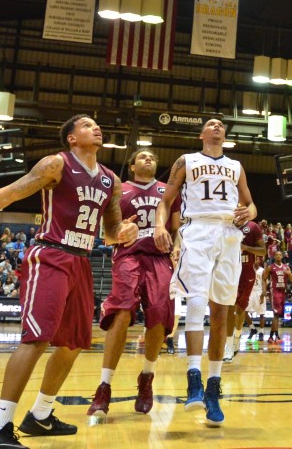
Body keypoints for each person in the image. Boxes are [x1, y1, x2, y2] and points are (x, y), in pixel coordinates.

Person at [0, 115, 138, 449]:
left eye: (98, 124)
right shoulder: (56, 164)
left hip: (81, 261)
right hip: (50, 255)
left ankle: (40, 415)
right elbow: (8, 195)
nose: (96, 127)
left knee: (72, 344)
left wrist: (123, 233)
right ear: (71, 138)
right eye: (86, 125)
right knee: (37, 339)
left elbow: (111, 233)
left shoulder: (111, 180)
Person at [153, 118, 256, 428]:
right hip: (198, 230)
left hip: (229, 235)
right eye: (211, 124)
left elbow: (251, 206)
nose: (216, 126)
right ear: (202, 134)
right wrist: (160, 225)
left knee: (222, 312)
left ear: (224, 135)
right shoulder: (187, 160)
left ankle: (213, 387)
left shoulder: (236, 166)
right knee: (196, 302)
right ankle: (193, 378)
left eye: (221, 125)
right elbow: (166, 200)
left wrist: (246, 213)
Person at [88, 149, 180, 420]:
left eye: (152, 156)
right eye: (142, 156)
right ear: (132, 166)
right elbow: (106, 236)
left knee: (159, 316)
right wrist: (119, 234)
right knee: (123, 311)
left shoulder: (168, 190)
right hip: (128, 256)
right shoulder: (119, 189)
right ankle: (104, 386)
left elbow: (177, 229)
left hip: (160, 259)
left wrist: (177, 248)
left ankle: (147, 377)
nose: (148, 159)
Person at [224, 218, 266, 362]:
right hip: (229, 270)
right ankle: (228, 346)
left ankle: (237, 336)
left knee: (241, 308)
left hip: (247, 273)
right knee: (230, 306)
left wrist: (245, 248)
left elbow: (263, 251)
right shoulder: (226, 225)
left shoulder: (253, 227)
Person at [264, 251, 292, 343]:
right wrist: (264, 290)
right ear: (274, 256)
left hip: (282, 291)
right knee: (276, 315)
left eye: (280, 255)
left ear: (282, 256)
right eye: (276, 255)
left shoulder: (286, 267)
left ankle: (270, 337)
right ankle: (276, 336)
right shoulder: (270, 267)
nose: (278, 256)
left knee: (277, 315)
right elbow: (264, 278)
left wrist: (289, 273)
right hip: (274, 291)